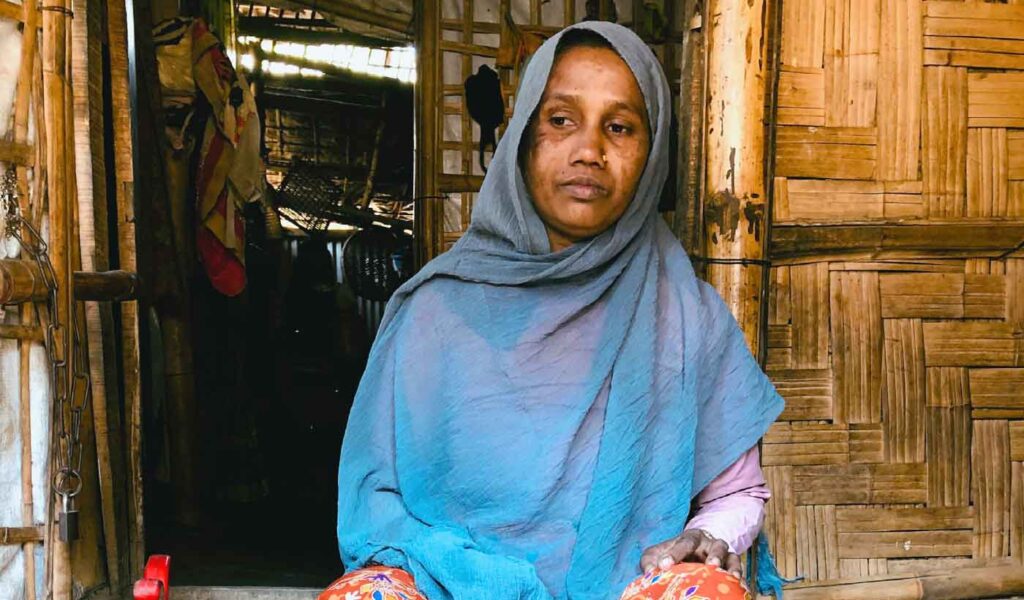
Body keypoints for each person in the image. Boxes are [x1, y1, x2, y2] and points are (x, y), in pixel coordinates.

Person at [320, 21, 786, 600]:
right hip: (448, 588)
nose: (589, 150)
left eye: (619, 128)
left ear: (652, 152)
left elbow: (735, 495)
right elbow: (374, 498)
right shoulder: (433, 310)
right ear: (523, 136)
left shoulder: (687, 315)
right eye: (561, 120)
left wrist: (705, 536)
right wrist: (445, 570)